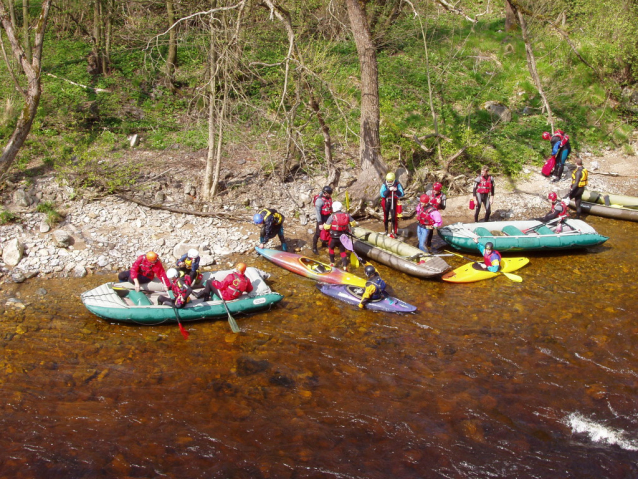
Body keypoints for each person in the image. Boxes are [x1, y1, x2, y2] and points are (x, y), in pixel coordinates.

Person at [323, 201, 356, 271]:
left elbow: (326, 227)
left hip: (333, 238)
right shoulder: (347, 215)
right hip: (343, 238)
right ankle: (344, 267)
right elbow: (354, 224)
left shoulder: (332, 216)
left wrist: (324, 225)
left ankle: (332, 263)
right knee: (342, 251)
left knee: (331, 248)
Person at [379, 172, 404, 238]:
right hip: (386, 201)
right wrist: (388, 189)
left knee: (394, 217)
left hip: (394, 201)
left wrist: (396, 190)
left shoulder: (397, 184)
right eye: (389, 180)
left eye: (391, 180)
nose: (390, 181)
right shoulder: (384, 184)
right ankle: (386, 230)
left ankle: (394, 232)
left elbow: (401, 194)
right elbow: (382, 194)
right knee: (386, 216)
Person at [312, 185, 333, 254]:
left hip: (327, 216)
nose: (330, 195)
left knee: (327, 231)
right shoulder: (319, 200)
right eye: (329, 194)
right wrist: (320, 223)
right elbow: (318, 213)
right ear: (325, 193)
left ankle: (324, 243)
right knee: (318, 233)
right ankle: (314, 248)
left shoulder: (328, 198)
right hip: (321, 217)